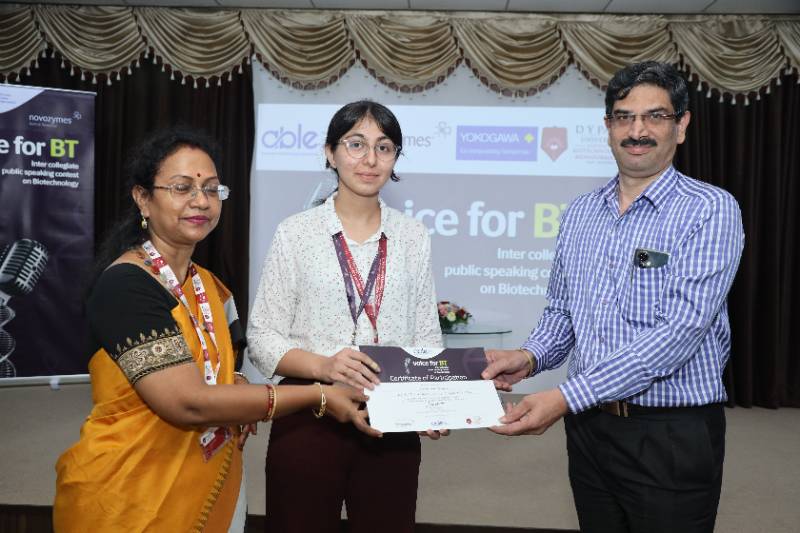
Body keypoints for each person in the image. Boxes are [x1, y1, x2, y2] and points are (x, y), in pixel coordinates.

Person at [53, 127, 376, 533]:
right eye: (182, 188)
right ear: (143, 198)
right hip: (130, 494)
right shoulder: (127, 286)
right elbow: (188, 404)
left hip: (213, 482)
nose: (201, 201)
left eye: (210, 188)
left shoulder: (211, 286)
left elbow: (227, 368)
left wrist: (238, 391)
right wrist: (319, 395)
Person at [483, 61, 744, 533]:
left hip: (668, 433)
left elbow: (678, 333)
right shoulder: (580, 213)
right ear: (608, 127)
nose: (637, 131)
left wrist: (565, 396)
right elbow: (563, 313)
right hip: (589, 428)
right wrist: (529, 356)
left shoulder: (710, 210)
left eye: (655, 116)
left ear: (682, 125)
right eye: (624, 117)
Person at [247, 100, 444, 533]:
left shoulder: (412, 236)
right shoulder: (295, 233)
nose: (370, 159)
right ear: (330, 152)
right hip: (309, 410)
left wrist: (431, 403)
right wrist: (326, 367)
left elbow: (427, 338)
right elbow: (261, 338)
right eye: (356, 144)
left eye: (384, 147)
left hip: (390, 416)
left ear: (395, 158)